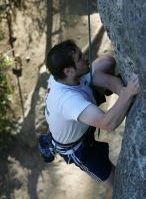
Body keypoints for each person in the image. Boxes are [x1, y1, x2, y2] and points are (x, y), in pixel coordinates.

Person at [44, 40, 139, 199]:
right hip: (79, 147)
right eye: (80, 58)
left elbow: (109, 80)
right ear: (68, 71)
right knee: (115, 186)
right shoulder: (68, 101)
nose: (86, 58)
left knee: (107, 61)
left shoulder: (61, 76)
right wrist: (128, 94)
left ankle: (95, 100)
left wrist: (122, 91)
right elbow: (108, 124)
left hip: (78, 107)